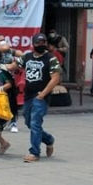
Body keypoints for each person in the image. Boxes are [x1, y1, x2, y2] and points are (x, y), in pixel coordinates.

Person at [20, 33, 62, 163]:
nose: (41, 45)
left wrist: (42, 95)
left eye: (43, 42)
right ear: (34, 44)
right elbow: (14, 65)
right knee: (28, 122)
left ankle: (34, 152)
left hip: (41, 97)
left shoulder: (51, 59)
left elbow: (55, 78)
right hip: (28, 95)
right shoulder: (27, 57)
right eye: (38, 43)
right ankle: (49, 139)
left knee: (35, 123)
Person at [0, 38, 21, 133]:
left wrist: (15, 63)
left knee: (12, 101)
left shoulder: (10, 51)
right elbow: (4, 47)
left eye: (4, 39)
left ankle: (13, 122)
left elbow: (22, 55)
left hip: (10, 78)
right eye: (0, 39)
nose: (3, 41)